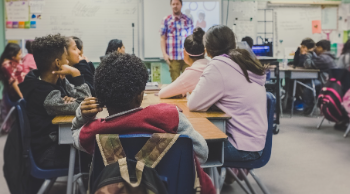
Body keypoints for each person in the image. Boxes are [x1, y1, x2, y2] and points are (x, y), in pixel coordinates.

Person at [71, 53, 215, 194]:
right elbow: (202, 153)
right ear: (140, 95)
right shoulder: (170, 116)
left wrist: (82, 115)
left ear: (100, 98)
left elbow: (75, 134)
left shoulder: (94, 131)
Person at [187, 25, 267, 182]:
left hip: (242, 148)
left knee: (183, 147)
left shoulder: (218, 65)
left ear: (207, 49)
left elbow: (194, 104)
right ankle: (224, 179)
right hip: (256, 142)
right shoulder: (244, 61)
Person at [19, 34, 91, 169]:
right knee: (96, 152)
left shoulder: (56, 80)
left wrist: (74, 101)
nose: (68, 62)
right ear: (58, 63)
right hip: (49, 152)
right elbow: (87, 106)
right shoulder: (45, 94)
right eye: (66, 58)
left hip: (57, 143)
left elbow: (80, 100)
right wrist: (76, 73)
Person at [159, 27, 209, 98]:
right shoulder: (212, 65)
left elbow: (162, 94)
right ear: (205, 51)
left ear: (184, 52)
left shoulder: (191, 72)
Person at [160, 0, 194, 82]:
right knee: (176, 83)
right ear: (171, 5)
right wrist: (164, 54)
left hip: (187, 56)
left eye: (177, 4)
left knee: (188, 81)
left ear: (181, 5)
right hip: (173, 57)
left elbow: (192, 38)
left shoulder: (188, 20)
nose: (175, 6)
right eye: (173, 4)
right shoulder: (166, 20)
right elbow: (162, 38)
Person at [302, 39, 336, 114]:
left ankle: (308, 108)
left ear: (321, 48)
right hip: (329, 81)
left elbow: (308, 65)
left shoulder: (323, 58)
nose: (315, 49)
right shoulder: (328, 57)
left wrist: (308, 53)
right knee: (308, 83)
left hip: (326, 82)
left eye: (317, 47)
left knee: (308, 86)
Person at [0, 43, 28, 123]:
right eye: (19, 54)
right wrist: (22, 96)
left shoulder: (15, 61)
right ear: (12, 56)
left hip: (22, 89)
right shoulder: (6, 65)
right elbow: (13, 82)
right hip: (16, 94)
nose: (21, 55)